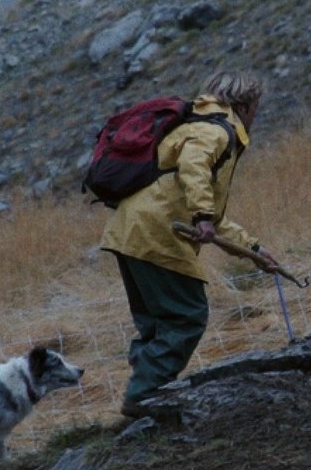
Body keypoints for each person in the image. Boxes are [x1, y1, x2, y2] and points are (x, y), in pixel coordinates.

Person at [99, 71, 282, 416]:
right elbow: (193, 168)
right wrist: (200, 215)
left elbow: (210, 215)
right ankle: (145, 397)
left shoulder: (196, 124)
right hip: (158, 232)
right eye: (256, 108)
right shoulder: (216, 130)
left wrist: (254, 250)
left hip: (129, 231)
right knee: (187, 316)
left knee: (156, 323)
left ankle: (147, 397)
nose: (256, 115)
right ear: (244, 105)